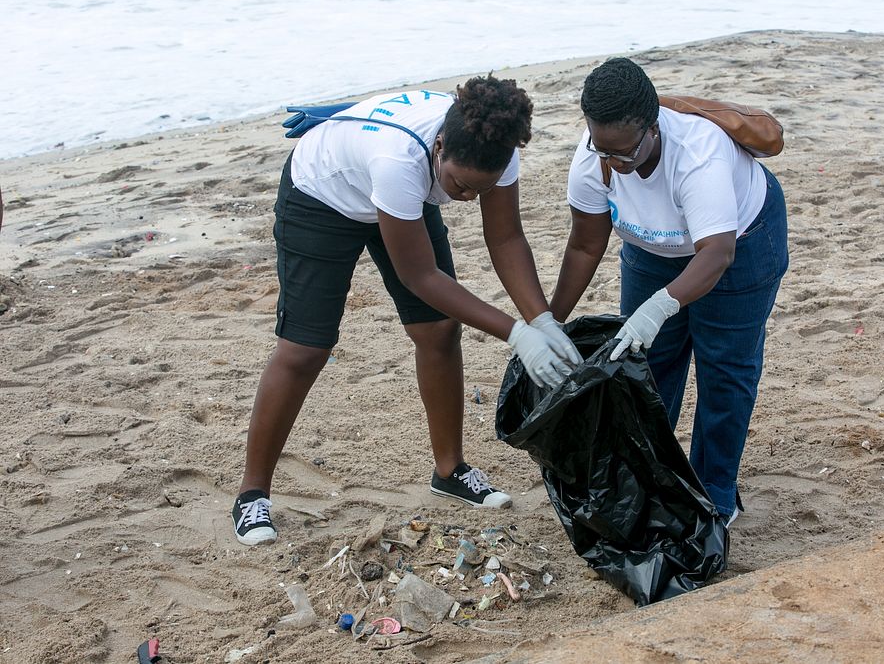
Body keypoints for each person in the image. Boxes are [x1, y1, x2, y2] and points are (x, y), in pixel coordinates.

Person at [233, 76, 582, 546]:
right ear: (439, 146)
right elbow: (420, 276)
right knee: (305, 349)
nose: (468, 198)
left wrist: (542, 320)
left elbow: (505, 238)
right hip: (323, 193)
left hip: (402, 194)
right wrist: (517, 334)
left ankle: (450, 471)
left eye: (481, 190)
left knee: (439, 331)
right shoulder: (400, 161)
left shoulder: (493, 149)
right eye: (460, 185)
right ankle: (252, 494)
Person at [549, 58, 788, 526]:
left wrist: (661, 305)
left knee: (725, 370)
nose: (615, 164)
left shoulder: (698, 155)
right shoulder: (593, 160)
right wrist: (549, 319)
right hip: (651, 245)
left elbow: (716, 254)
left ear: (652, 128)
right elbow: (584, 243)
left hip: (741, 241)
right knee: (646, 368)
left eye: (625, 153)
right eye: (603, 151)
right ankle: (649, 478)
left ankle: (715, 492)